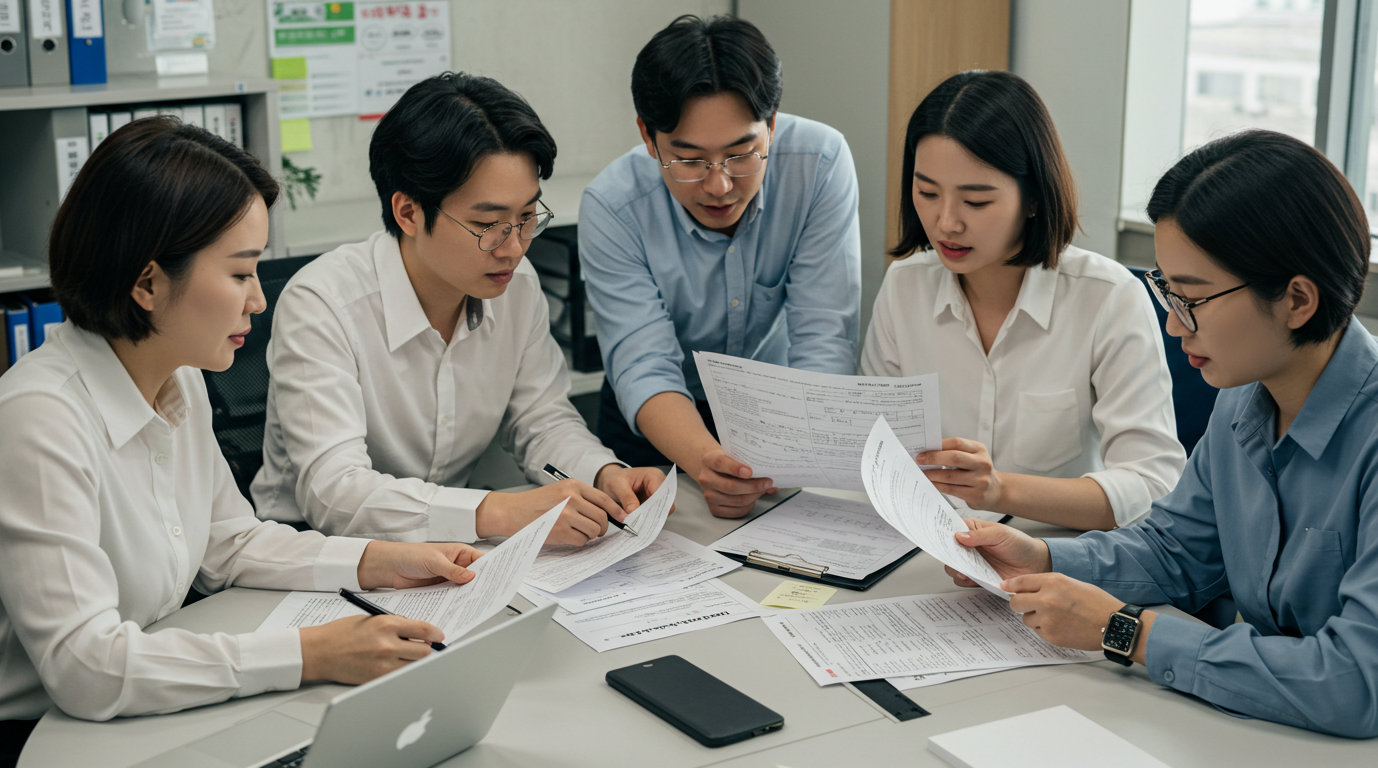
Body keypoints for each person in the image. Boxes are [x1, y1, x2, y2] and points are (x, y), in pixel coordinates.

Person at [0, 118, 485, 768]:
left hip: (146, 698)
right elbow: (86, 667)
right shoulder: (38, 423)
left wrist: (379, 560)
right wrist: (314, 654)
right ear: (149, 283)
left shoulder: (174, 378)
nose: (259, 301)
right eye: (240, 274)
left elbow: (227, 542)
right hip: (39, 739)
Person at [951, 129, 1378, 737]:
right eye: (1167, 292)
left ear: (1297, 300)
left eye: (1194, 299)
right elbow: (1177, 550)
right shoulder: (1241, 402)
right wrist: (1041, 556)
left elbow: (1356, 682)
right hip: (1256, 729)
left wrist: (1126, 631)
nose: (1176, 328)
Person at [251, 73, 665, 546]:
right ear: (408, 213)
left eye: (528, 217)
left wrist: (602, 473)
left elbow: (541, 420)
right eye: (488, 224)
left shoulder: (518, 288)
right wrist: (498, 511)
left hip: (451, 544)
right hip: (309, 552)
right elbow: (333, 493)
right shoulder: (323, 303)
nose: (514, 248)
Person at [860, 70, 1185, 531]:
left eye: (975, 202)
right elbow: (877, 451)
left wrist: (1001, 490)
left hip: (1059, 564)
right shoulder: (904, 286)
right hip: (926, 549)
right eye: (927, 192)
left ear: (1033, 198)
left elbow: (1152, 486)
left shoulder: (1108, 299)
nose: (946, 222)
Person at [580, 15, 862, 518]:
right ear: (649, 136)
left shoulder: (818, 163)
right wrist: (705, 459)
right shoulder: (613, 205)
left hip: (774, 408)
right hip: (656, 419)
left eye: (741, 155)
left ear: (771, 125)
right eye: (689, 161)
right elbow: (644, 362)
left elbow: (824, 332)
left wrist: (810, 445)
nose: (719, 186)